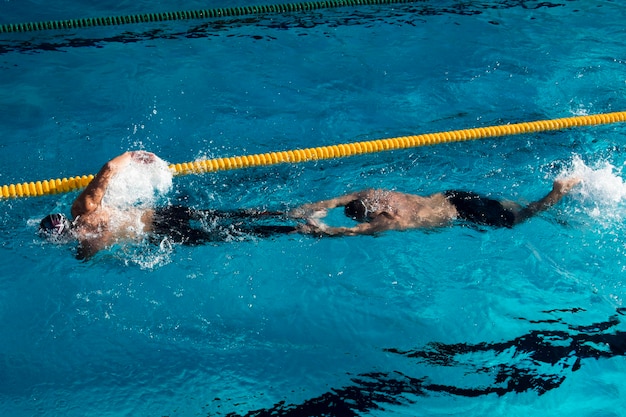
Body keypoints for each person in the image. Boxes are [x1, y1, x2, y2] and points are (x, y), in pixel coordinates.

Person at [39, 151, 296, 259]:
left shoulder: (85, 250)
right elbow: (108, 169)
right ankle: (290, 213)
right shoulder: (83, 209)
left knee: (229, 234)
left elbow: (112, 257)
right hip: (159, 216)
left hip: (158, 235)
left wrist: (132, 157)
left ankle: (296, 228)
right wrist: (133, 156)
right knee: (229, 217)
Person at [290, 178, 581, 236]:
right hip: (452, 195)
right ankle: (560, 213)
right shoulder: (373, 192)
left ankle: (557, 192)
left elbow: (351, 232)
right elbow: (334, 201)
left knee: (520, 218)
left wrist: (320, 229)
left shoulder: (389, 219)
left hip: (461, 213)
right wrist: (307, 208)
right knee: (509, 207)